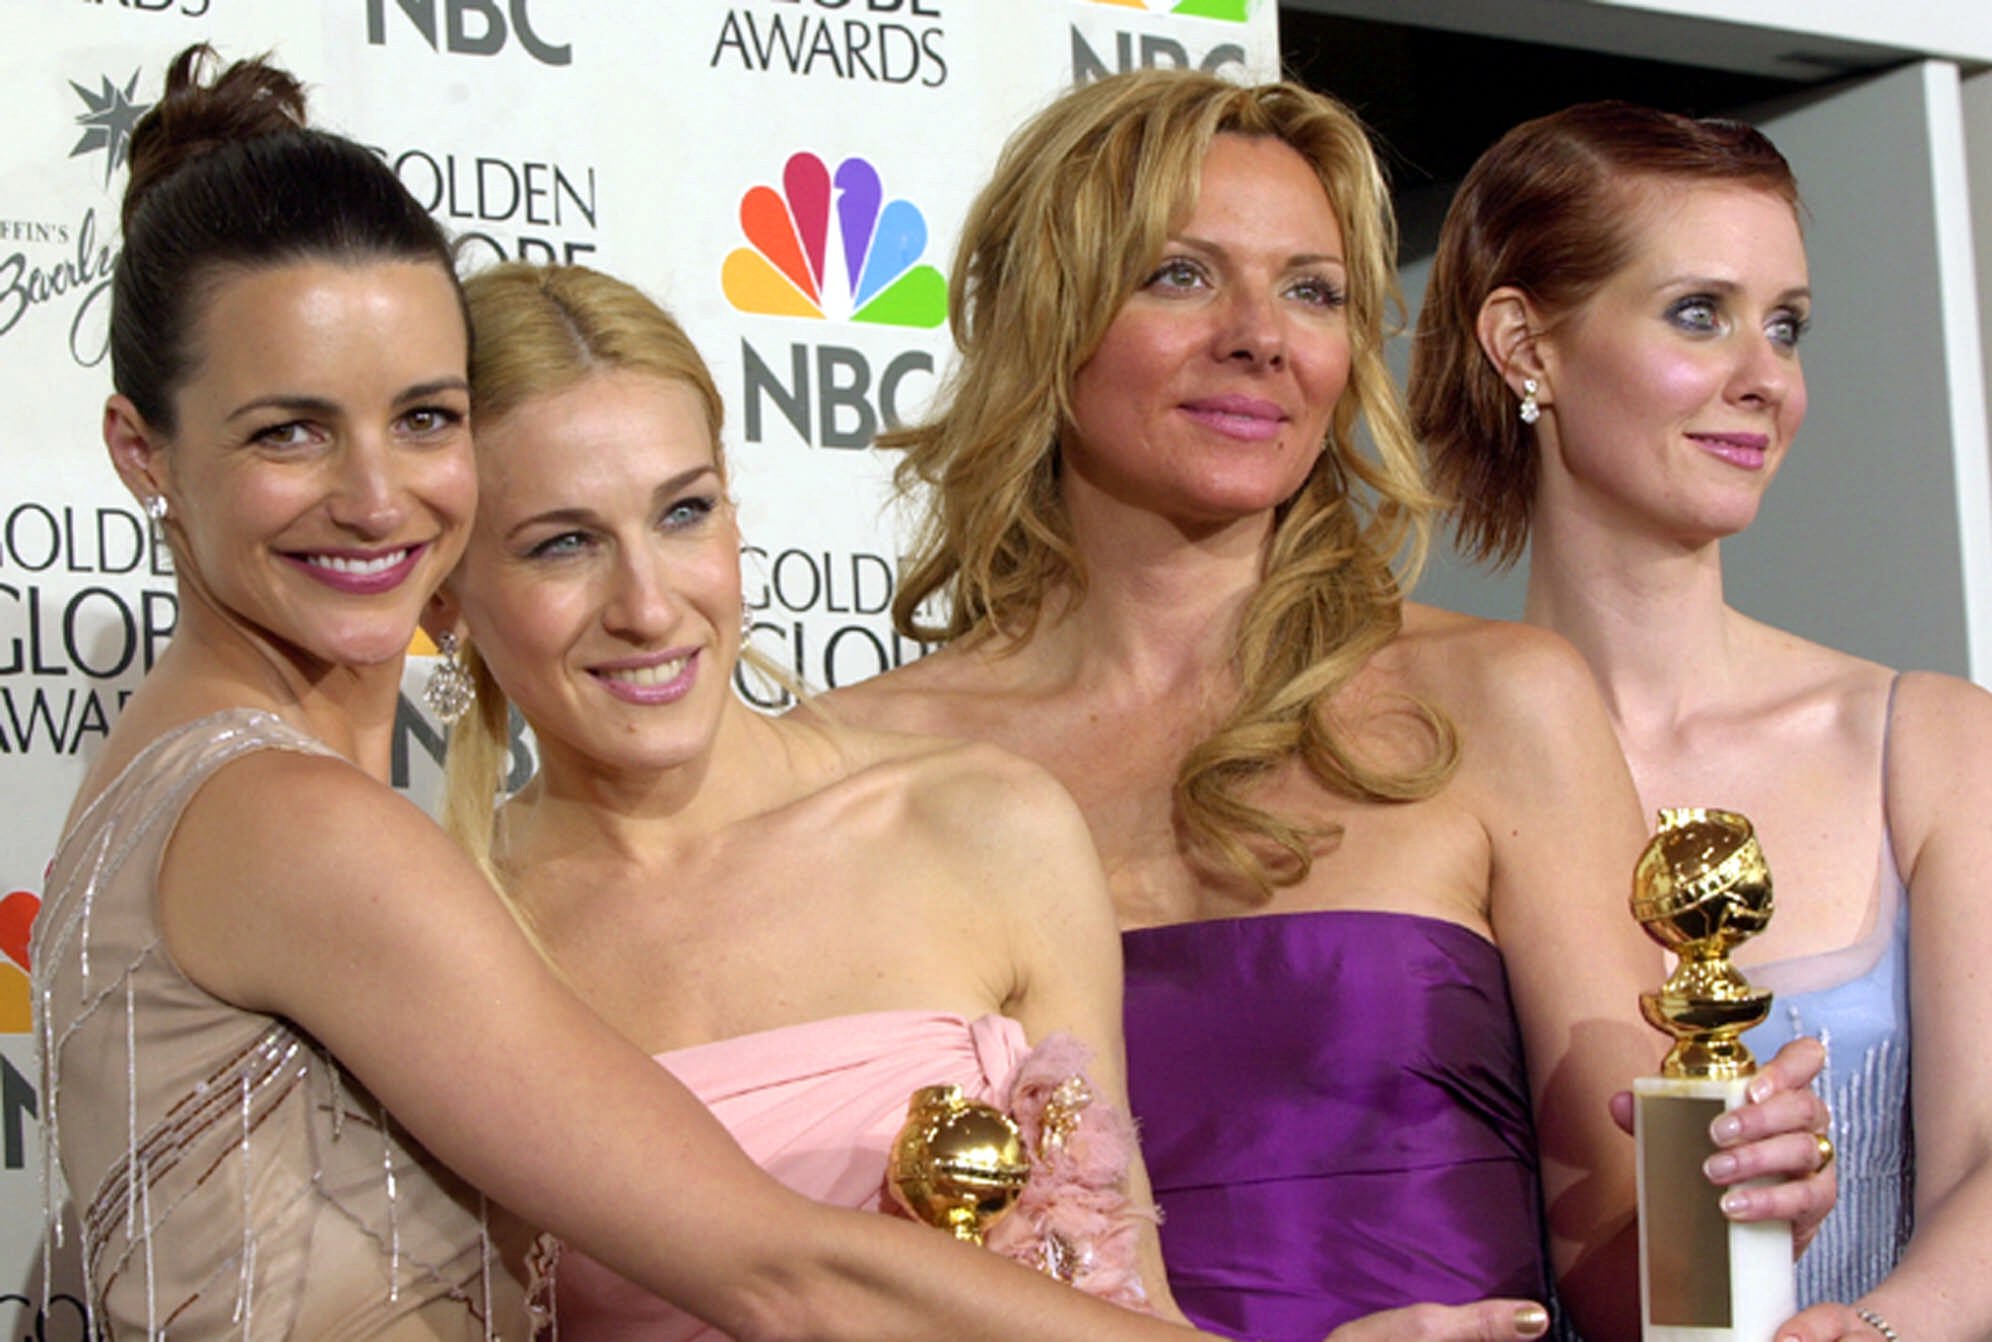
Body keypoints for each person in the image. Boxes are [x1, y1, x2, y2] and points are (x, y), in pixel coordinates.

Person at [29, 44, 1399, 1342]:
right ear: (141, 452)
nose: (380, 496)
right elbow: (782, 1269)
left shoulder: (191, 793)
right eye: (289, 432)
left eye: (424, 418)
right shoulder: (313, 827)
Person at [824, 68, 1837, 1342]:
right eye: (1181, 275)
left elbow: (1631, 1281)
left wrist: (1733, 1203)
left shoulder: (1497, 704)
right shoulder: (858, 762)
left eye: (1313, 291)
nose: (1261, 336)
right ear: (1045, 315)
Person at [431, 261, 1168, 1338]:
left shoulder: (985, 826)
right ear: (446, 592)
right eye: (564, 544)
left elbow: (1126, 1289)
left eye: (684, 512)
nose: (647, 605)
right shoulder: (446, 934)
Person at [1412, 100, 1992, 1342]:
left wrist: (1876, 1330)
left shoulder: (1929, 745)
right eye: (1698, 312)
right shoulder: (1411, 770)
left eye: (1785, 325)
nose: (1765, 378)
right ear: (1525, 346)